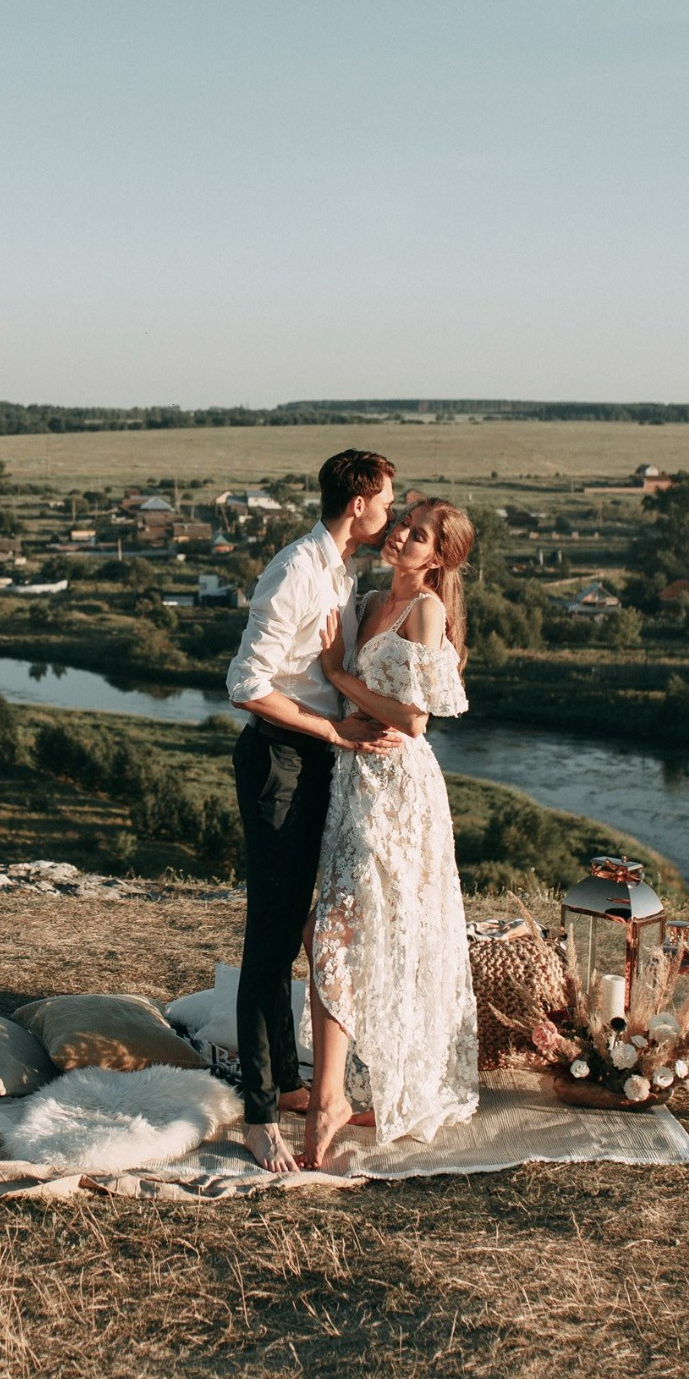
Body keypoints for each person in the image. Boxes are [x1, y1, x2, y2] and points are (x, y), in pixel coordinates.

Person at [224, 448, 402, 1173]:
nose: (391, 513)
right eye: (386, 501)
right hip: (282, 762)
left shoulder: (342, 570)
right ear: (359, 503)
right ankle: (259, 1115)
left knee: (298, 925)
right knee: (269, 941)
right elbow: (245, 682)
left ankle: (292, 1088)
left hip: (319, 761)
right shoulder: (297, 570)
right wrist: (335, 731)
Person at [301, 496, 480, 1170]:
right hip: (354, 781)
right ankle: (361, 1088)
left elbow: (413, 721)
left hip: (398, 791)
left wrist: (337, 675)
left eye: (419, 534)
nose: (401, 534)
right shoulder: (373, 598)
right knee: (348, 931)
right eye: (403, 521)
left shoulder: (425, 611)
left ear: (438, 557)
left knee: (339, 930)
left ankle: (332, 1100)